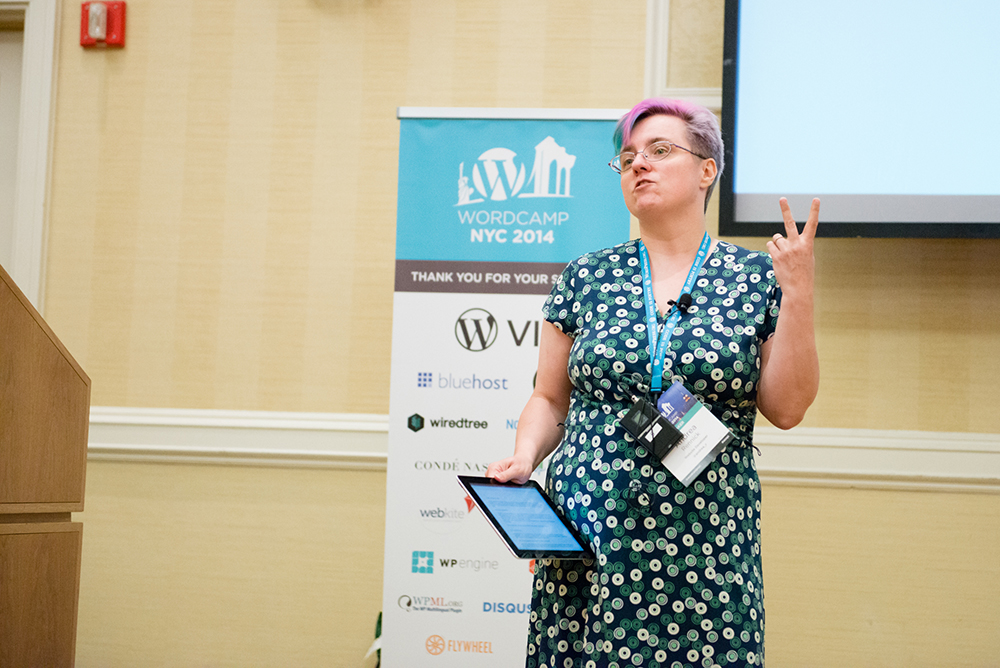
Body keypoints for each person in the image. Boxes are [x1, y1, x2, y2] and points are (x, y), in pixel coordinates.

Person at [486, 98, 819, 668]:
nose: (639, 163)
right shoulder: (587, 276)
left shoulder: (756, 277)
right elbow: (550, 399)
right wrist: (525, 455)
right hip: (590, 538)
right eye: (628, 157)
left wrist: (799, 293)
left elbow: (786, 409)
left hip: (705, 543)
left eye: (660, 151)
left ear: (707, 170)